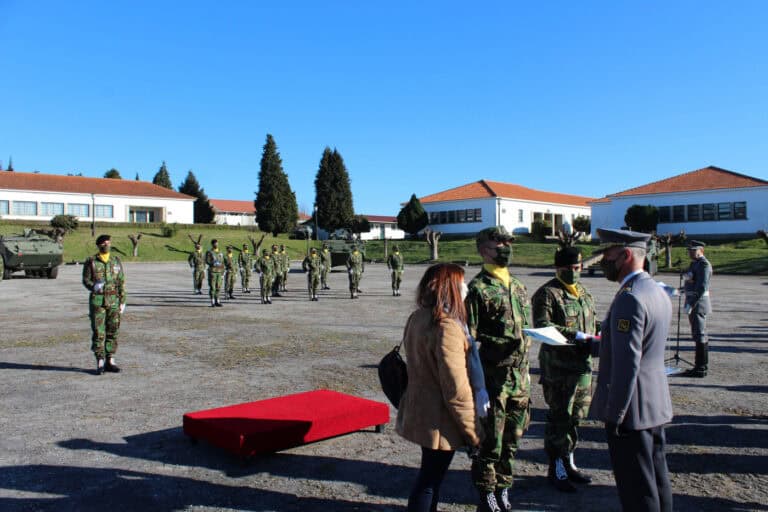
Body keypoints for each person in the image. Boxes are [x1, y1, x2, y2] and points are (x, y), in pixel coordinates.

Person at [589, 228, 673, 512]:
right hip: (654, 401)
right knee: (656, 479)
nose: (604, 262)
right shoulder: (656, 290)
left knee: (637, 488)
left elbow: (628, 363)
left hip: (632, 408)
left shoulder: (630, 296)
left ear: (625, 255)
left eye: (608, 255)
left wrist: (616, 412)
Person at [396, 263, 482, 512]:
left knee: (429, 477)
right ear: (451, 287)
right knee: (430, 482)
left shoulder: (419, 316)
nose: (466, 288)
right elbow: (455, 388)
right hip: (439, 418)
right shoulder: (447, 327)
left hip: (422, 410)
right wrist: (473, 432)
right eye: (462, 282)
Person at [465, 226, 532, 512]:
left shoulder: (517, 285)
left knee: (513, 439)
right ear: (483, 250)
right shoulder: (477, 288)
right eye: (499, 243)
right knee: (491, 441)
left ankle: (504, 487)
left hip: (520, 377)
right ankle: (487, 493)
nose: (506, 247)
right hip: (494, 379)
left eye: (508, 242)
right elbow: (468, 337)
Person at [532, 244, 598, 492]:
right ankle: (556, 469)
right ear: (557, 268)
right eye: (567, 268)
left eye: (576, 267)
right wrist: (577, 336)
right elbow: (542, 326)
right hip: (559, 370)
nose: (573, 272)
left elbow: (593, 323)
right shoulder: (548, 294)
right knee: (559, 420)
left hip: (582, 369)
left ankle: (570, 463)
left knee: (576, 419)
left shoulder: (584, 293)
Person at [82, 234, 126, 375]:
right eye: (104, 243)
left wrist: (123, 300)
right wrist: (93, 286)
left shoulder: (116, 261)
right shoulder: (92, 261)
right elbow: (86, 280)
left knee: (113, 330)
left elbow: (121, 282)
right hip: (98, 302)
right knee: (99, 332)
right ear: (99, 245)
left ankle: (110, 360)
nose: (107, 245)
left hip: (114, 301)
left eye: (109, 242)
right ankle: (100, 361)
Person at [683, 240, 713, 378]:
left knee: (700, 334)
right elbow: (690, 283)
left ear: (701, 250)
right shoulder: (694, 264)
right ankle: (698, 366)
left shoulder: (704, 265)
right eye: (689, 250)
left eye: (693, 250)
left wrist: (691, 303)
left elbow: (701, 287)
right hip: (692, 302)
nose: (690, 252)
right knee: (696, 334)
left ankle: (701, 368)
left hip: (698, 304)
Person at [205, 239, 225, 307]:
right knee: (212, 287)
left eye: (217, 243)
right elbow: (207, 261)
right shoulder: (209, 252)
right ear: (212, 244)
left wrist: (223, 272)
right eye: (215, 244)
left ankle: (218, 301)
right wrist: (213, 263)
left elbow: (223, 263)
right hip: (212, 272)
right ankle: (212, 301)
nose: (216, 245)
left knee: (218, 287)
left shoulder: (220, 252)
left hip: (219, 272)